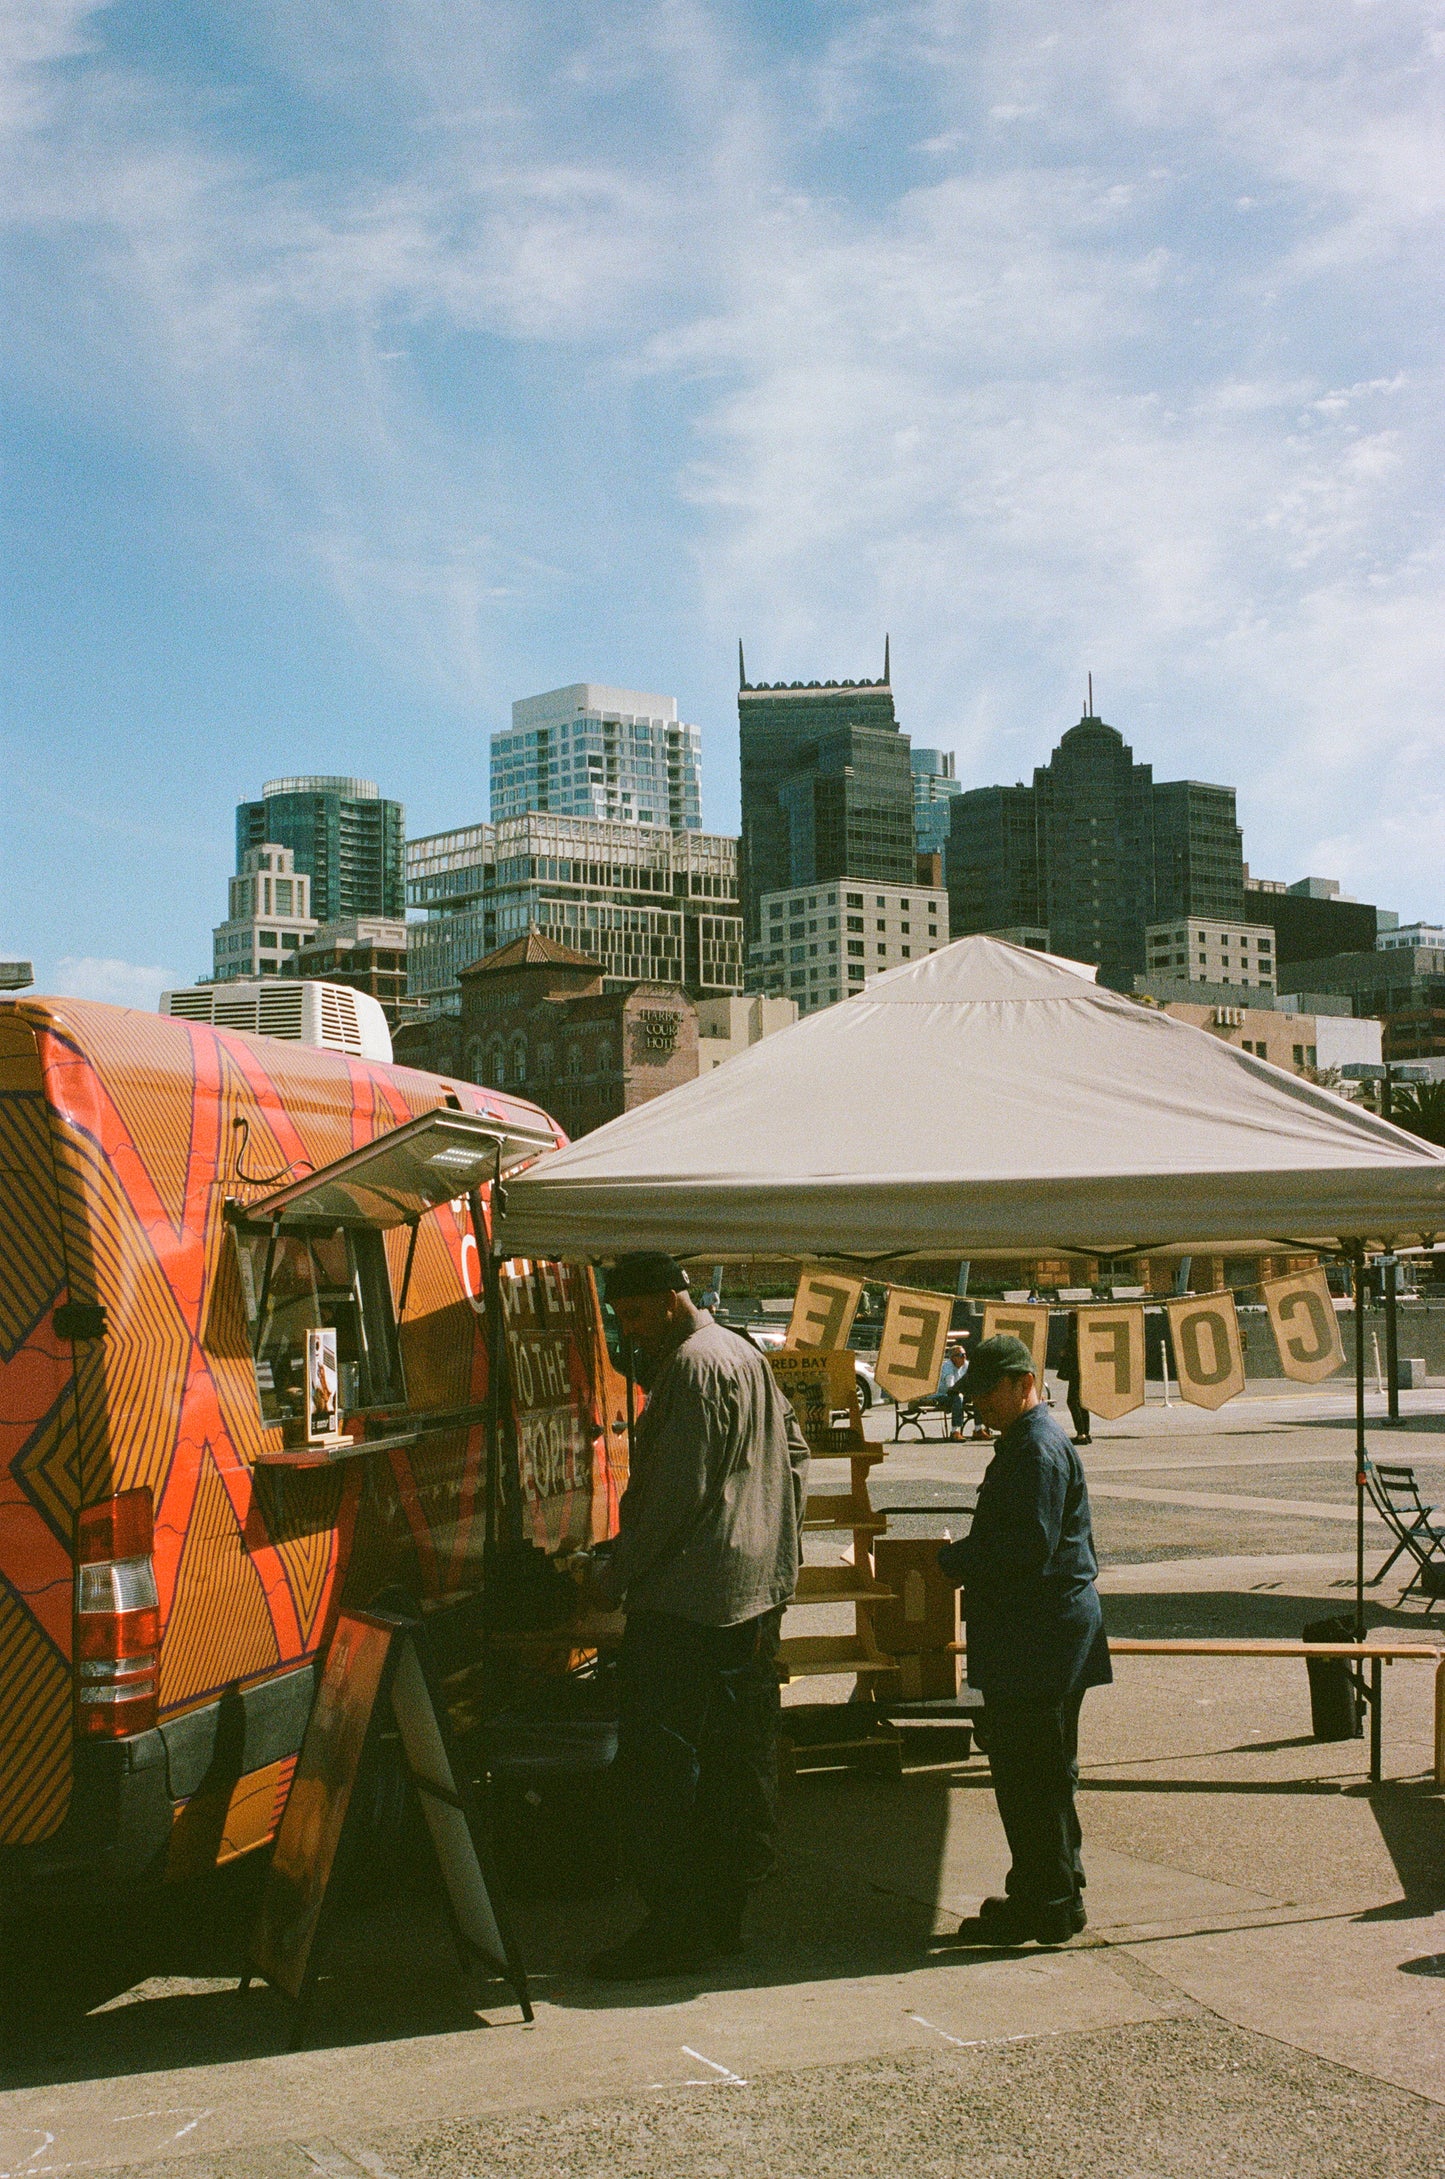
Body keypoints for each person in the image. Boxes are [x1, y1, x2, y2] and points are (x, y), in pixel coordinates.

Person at [584, 1252, 810, 1981]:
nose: (633, 1333)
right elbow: (797, 1455)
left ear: (673, 1301)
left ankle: (675, 1923)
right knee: (736, 1760)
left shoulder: (688, 1366)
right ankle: (723, 1914)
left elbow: (673, 1495)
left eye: (637, 1315)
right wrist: (768, 1535)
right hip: (751, 1595)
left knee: (664, 1767)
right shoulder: (745, 1353)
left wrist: (619, 1570)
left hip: (689, 1605)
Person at [936, 1334, 1110, 1946]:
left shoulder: (1035, 1449)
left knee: (1029, 1774)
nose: (978, 1404)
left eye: (986, 1392)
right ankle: (1056, 1890)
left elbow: (1026, 1548)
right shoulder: (1028, 1441)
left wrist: (958, 1561)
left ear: (1020, 1383)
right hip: (1050, 1633)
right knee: (1046, 1771)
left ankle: (1047, 1902)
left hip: (1039, 1638)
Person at [1059, 1314, 1091, 1444]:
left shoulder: (1073, 1337)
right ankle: (1086, 1433)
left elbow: (1069, 1355)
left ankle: (1081, 1434)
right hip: (1085, 1372)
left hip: (1075, 1372)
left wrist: (1063, 1354)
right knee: (1083, 1402)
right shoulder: (1084, 1335)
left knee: (1072, 1401)